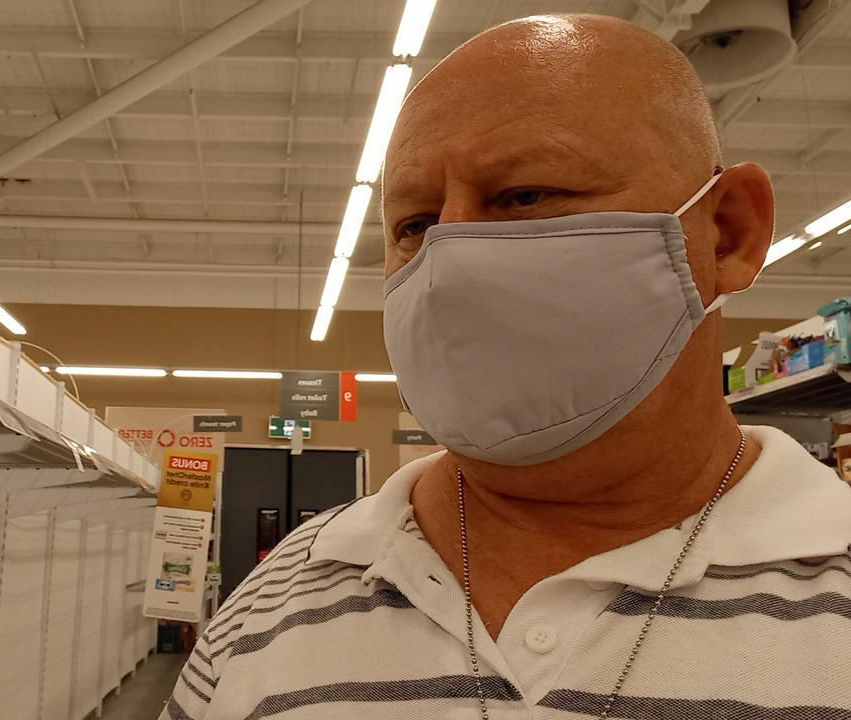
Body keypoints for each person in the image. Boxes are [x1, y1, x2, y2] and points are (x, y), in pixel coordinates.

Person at [161, 13, 851, 720]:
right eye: (416, 224)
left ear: (728, 233)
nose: (449, 264)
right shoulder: (274, 601)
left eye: (525, 195)